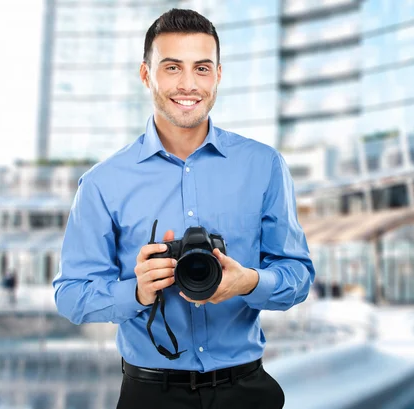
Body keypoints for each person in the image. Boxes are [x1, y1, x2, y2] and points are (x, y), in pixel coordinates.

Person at [52, 8, 315, 409]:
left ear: (219, 75)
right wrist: (137, 292)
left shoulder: (264, 166)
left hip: (247, 390)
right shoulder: (103, 183)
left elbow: (297, 276)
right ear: (146, 74)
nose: (189, 84)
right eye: (172, 67)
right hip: (150, 394)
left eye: (202, 68)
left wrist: (247, 282)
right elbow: (71, 295)